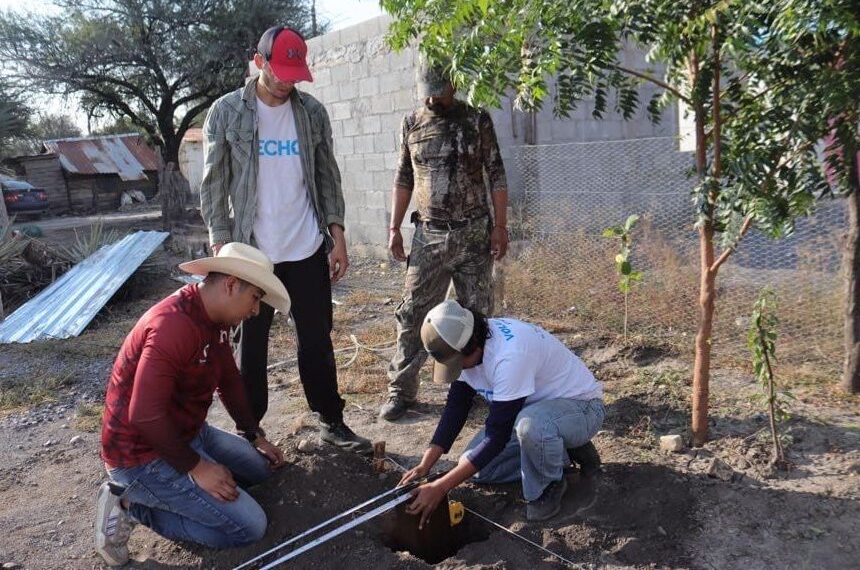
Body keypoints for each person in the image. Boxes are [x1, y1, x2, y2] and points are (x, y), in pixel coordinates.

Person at [200, 26, 371, 453]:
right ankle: (251, 433)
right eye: (280, 73)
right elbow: (213, 185)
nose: (287, 83)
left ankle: (331, 421)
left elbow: (327, 176)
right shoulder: (226, 113)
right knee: (250, 352)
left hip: (306, 248)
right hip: (251, 254)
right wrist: (221, 245)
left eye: (295, 75)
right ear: (259, 62)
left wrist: (337, 234)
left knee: (317, 342)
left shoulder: (312, 113)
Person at [95, 243, 290, 566]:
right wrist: (197, 467)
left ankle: (191, 492)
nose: (256, 310)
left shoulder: (215, 320)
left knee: (260, 470)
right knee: (250, 527)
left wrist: (254, 434)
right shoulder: (173, 325)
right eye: (255, 297)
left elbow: (229, 379)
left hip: (190, 434)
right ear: (231, 285)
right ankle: (132, 507)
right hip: (141, 456)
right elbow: (144, 414)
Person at [380, 60, 509, 421]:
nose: (432, 100)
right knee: (412, 313)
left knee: (477, 315)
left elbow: (496, 173)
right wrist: (394, 228)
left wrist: (500, 226)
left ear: (453, 84)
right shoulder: (411, 123)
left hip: (473, 234)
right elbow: (403, 177)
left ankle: (477, 388)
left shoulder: (477, 120)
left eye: (439, 92)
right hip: (428, 236)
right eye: (427, 94)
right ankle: (401, 391)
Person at [399, 300, 604, 524]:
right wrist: (425, 464)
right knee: (477, 468)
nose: (459, 369)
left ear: (473, 345)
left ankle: (548, 486)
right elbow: (456, 407)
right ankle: (561, 452)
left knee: (532, 426)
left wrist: (441, 487)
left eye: (459, 363)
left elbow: (497, 437)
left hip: (581, 409)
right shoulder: (464, 341)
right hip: (529, 411)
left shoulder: (510, 355)